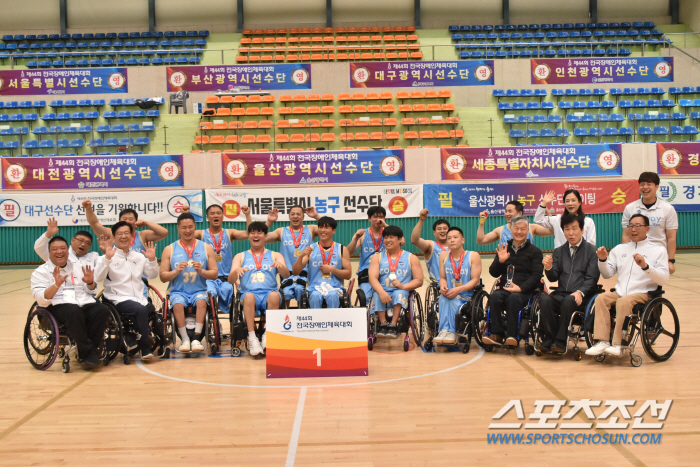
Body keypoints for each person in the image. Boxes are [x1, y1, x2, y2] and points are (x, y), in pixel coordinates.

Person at [585, 214, 669, 357]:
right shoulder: (620, 249)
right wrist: (603, 260)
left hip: (643, 293)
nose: (633, 229)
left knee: (623, 302)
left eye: (637, 226)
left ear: (647, 228)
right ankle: (602, 341)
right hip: (621, 291)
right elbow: (607, 274)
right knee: (601, 299)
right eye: (630, 226)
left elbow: (663, 279)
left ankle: (619, 344)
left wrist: (645, 266)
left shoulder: (658, 250)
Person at [30, 236, 108, 367]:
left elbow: (91, 292)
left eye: (62, 248)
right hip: (57, 306)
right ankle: (88, 352)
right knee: (73, 311)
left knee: (102, 310)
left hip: (82, 303)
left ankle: (89, 350)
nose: (59, 251)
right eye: (55, 249)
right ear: (49, 252)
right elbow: (41, 299)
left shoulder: (78, 267)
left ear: (68, 250)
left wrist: (90, 282)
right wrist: (55, 285)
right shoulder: (40, 272)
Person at [94, 222, 160, 361]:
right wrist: (107, 258)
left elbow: (153, 275)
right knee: (140, 310)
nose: (123, 236)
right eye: (119, 233)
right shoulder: (105, 257)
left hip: (139, 298)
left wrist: (152, 259)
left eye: (126, 233)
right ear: (113, 236)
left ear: (132, 236)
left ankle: (157, 342)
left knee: (153, 312)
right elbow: (97, 278)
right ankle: (145, 348)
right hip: (117, 299)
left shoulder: (139, 257)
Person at [537, 213, 600, 354]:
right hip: (561, 294)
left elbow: (592, 278)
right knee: (544, 298)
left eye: (574, 228)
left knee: (568, 300)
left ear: (582, 230)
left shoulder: (591, 252)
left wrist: (580, 292)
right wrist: (548, 268)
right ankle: (549, 339)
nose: (571, 233)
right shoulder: (559, 251)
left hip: (580, 297)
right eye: (567, 229)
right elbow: (553, 278)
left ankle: (560, 341)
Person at [160, 213, 218, 353]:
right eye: (184, 227)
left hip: (199, 290)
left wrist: (202, 271)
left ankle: (197, 338)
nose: (188, 230)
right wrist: (176, 271)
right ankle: (185, 339)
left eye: (190, 227)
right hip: (178, 291)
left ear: (195, 227)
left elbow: (214, 273)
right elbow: (162, 276)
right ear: (178, 228)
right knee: (178, 304)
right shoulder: (170, 249)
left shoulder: (206, 247)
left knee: (202, 302)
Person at [229, 222, 290, 356]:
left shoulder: (275, 255)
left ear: (265, 236)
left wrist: (282, 267)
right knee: (249, 297)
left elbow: (286, 275)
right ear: (249, 235)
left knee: (275, 296)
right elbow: (231, 280)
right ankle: (252, 338)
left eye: (259, 232)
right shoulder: (240, 256)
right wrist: (236, 270)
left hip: (269, 292)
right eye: (252, 232)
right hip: (249, 293)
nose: (256, 235)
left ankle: (268, 335)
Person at [483, 215, 544, 347]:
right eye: (516, 228)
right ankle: (497, 334)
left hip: (525, 291)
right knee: (494, 297)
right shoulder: (504, 248)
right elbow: (493, 273)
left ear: (528, 230)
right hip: (505, 289)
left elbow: (536, 275)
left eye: (523, 229)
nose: (519, 232)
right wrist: (501, 261)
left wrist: (521, 288)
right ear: (511, 229)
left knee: (514, 298)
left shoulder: (535, 252)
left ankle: (512, 335)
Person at [186, 203, 253, 315]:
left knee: (228, 292)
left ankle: (221, 313)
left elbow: (248, 234)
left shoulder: (229, 233)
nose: (215, 215)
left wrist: (247, 215)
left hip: (226, 278)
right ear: (207, 217)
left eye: (218, 213)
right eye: (212, 213)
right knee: (210, 295)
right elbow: (185, 234)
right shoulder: (200, 234)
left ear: (222, 216)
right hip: (208, 278)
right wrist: (185, 215)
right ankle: (214, 319)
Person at [368, 226, 424, 339]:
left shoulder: (411, 258)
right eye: (386, 238)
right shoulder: (377, 257)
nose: (388, 240)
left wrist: (403, 286)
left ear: (400, 240)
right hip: (383, 290)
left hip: (401, 290)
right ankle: (383, 324)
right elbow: (372, 278)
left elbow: (419, 280)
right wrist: (381, 292)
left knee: (400, 293)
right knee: (377, 294)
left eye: (391, 237)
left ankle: (394, 324)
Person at [621, 172, 678, 274]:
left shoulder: (668, 209)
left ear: (657, 187)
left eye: (649, 184)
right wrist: (625, 257)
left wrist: (671, 260)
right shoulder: (630, 208)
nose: (645, 187)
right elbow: (626, 234)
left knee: (655, 287)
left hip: (658, 256)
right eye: (642, 184)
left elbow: (671, 237)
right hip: (636, 255)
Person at [264, 206, 321, 306]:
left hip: (305, 272)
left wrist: (316, 216)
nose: (295, 216)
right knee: (286, 293)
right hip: (286, 273)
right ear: (289, 217)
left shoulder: (311, 229)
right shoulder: (281, 231)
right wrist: (269, 221)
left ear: (303, 217)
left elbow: (328, 228)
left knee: (300, 291)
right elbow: (263, 238)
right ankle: (284, 317)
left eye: (298, 214)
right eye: (292, 214)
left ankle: (301, 315)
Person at [433, 227, 481, 345]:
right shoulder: (443, 256)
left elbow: (475, 280)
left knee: (453, 299)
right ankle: (444, 330)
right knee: (443, 298)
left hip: (466, 295)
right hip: (449, 293)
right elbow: (443, 277)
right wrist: (443, 285)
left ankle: (453, 331)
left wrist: (460, 289)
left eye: (455, 237)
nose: (452, 240)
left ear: (463, 240)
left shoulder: (473, 255)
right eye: (449, 238)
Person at [293, 216, 352, 308]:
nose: (323, 230)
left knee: (332, 295)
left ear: (334, 231)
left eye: (326, 227)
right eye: (320, 227)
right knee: (316, 296)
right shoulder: (311, 248)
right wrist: (301, 256)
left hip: (335, 288)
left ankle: (333, 321)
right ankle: (315, 322)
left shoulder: (341, 249)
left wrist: (332, 269)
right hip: (314, 288)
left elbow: (348, 274)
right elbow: (295, 271)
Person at [82, 199, 170, 253]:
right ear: (119, 221)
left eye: (131, 219)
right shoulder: (110, 234)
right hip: (117, 279)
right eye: (124, 219)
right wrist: (88, 209)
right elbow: (95, 224)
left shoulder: (142, 235)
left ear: (136, 221)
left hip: (138, 279)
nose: (127, 221)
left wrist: (146, 223)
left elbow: (164, 233)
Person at [348, 206, 390, 304]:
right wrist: (355, 239)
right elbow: (349, 253)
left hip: (385, 271)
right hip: (366, 273)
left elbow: (401, 242)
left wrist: (387, 227)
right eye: (375, 216)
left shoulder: (388, 234)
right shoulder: (362, 234)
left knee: (387, 296)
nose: (378, 219)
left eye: (381, 217)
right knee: (366, 297)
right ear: (369, 218)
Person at [476, 200, 550, 246]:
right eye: (506, 211)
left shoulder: (531, 228)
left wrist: (545, 209)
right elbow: (481, 241)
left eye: (510, 211)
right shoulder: (500, 230)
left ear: (519, 213)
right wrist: (482, 222)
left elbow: (551, 230)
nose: (507, 214)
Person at [34, 217, 99, 267]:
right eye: (81, 240)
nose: (83, 244)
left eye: (87, 243)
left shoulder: (93, 257)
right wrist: (48, 234)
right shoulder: (60, 254)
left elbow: (105, 263)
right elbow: (39, 248)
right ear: (72, 240)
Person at [410, 209, 450, 283]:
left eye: (445, 228)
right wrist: (421, 220)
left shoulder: (455, 246)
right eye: (439, 229)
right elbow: (414, 240)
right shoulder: (431, 245)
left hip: (455, 283)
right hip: (439, 284)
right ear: (434, 232)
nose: (442, 231)